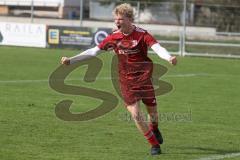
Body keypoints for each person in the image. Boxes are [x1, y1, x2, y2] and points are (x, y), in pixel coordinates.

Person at [61, 3, 177, 155]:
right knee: (135, 114)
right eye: (116, 19)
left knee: (153, 112)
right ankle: (154, 145)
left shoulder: (142, 34)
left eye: (120, 19)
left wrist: (168, 57)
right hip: (126, 81)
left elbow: (157, 47)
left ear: (129, 19)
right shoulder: (114, 37)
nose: (117, 22)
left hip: (144, 79)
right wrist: (72, 60)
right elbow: (94, 51)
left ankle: (155, 128)